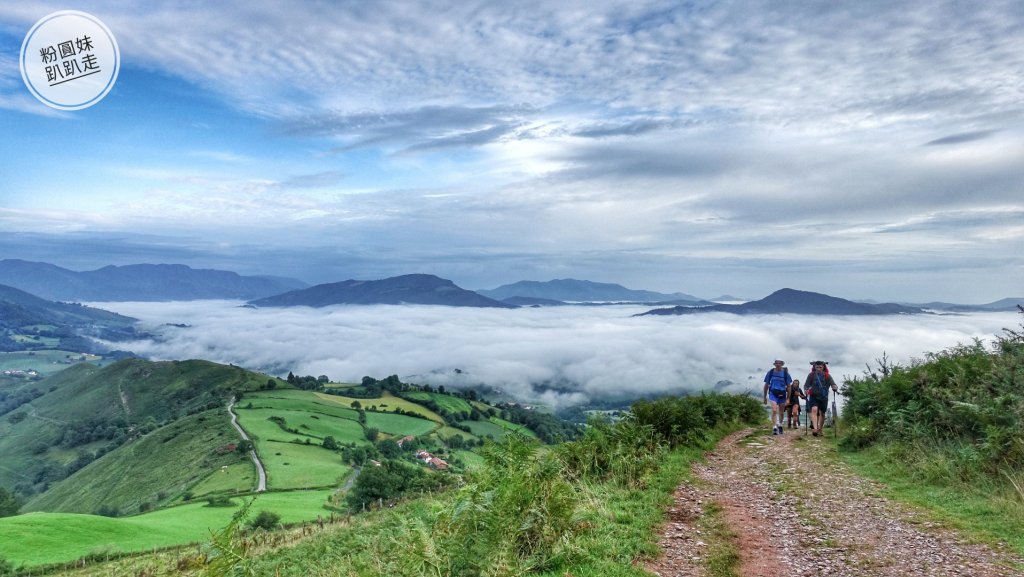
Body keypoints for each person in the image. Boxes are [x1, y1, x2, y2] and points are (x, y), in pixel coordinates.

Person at [804, 361, 838, 436]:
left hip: (823, 397)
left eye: (820, 367)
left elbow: (833, 384)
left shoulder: (827, 376)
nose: (818, 369)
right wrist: (806, 390)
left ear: (823, 367)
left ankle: (820, 429)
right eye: (817, 367)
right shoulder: (811, 375)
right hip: (813, 396)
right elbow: (806, 385)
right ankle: (815, 429)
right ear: (814, 367)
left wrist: (834, 387)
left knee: (822, 413)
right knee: (814, 410)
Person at [762, 359, 792, 435]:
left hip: (782, 394)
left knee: (781, 412)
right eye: (776, 363)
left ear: (782, 364)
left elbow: (789, 386)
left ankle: (780, 425)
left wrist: (788, 398)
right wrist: (765, 397)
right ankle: (775, 427)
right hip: (773, 393)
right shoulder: (771, 372)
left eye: (779, 363)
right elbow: (766, 385)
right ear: (774, 364)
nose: (778, 364)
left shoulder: (785, 374)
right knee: (774, 410)